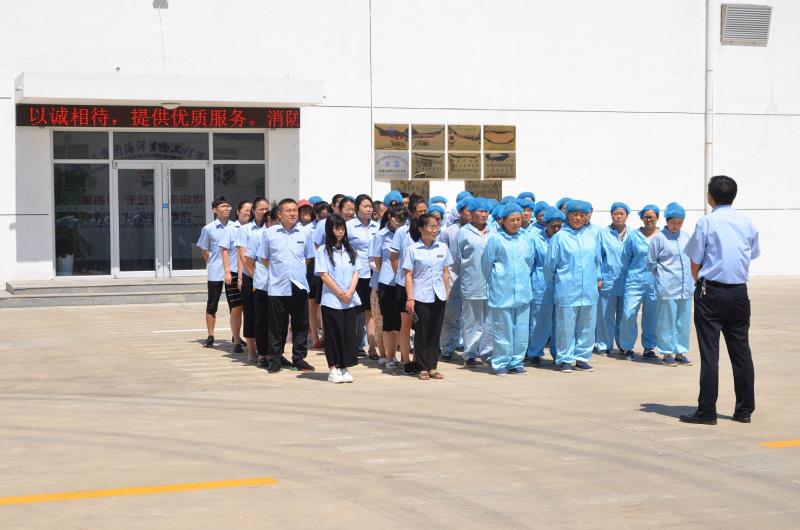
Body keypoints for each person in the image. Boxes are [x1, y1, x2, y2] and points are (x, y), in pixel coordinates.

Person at [680, 176, 760, 425]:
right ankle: (744, 410)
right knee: (741, 352)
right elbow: (752, 253)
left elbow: (695, 260)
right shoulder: (747, 222)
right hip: (739, 292)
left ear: (710, 197)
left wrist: (699, 282)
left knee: (710, 354)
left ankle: (707, 411)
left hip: (711, 292)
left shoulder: (707, 222)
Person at [257, 198, 316, 373]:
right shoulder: (269, 233)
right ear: (280, 214)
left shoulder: (305, 233)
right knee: (277, 326)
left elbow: (308, 257)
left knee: (301, 324)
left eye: (294, 210)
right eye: (288, 211)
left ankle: (299, 359)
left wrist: (296, 270)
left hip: (299, 284)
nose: (293, 213)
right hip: (277, 285)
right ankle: (275, 359)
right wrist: (279, 271)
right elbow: (264, 258)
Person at [545, 200, 602, 373]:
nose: (578, 218)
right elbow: (549, 265)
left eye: (582, 215)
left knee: (587, 326)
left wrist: (598, 278)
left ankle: (582, 357)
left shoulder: (591, 236)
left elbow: (597, 261)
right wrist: (556, 283)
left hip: (589, 289)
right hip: (567, 289)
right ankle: (565, 359)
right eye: (574, 214)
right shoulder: (559, 237)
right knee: (565, 326)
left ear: (586, 217)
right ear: (567, 216)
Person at [481, 203, 536, 376]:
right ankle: (501, 362)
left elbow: (530, 261)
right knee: (502, 329)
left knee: (521, 329)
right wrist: (497, 282)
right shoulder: (495, 239)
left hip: (523, 291)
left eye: (518, 219)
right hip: (502, 291)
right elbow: (486, 265)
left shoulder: (526, 238)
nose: (516, 223)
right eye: (512, 220)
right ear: (502, 221)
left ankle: (517, 361)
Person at [403, 213, 452, 380]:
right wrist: (410, 298)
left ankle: (432, 367)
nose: (434, 230)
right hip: (421, 296)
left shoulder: (442, 248)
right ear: (421, 228)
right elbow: (408, 275)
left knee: (435, 332)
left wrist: (447, 292)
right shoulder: (412, 249)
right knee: (422, 332)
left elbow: (445, 271)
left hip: (439, 295)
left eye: (436, 226)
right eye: (431, 226)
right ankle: (422, 367)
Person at [315, 214, 361, 383]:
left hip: (349, 300)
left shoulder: (350, 250)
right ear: (330, 229)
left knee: (348, 334)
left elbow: (356, 272)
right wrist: (340, 293)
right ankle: (333, 368)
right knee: (333, 335)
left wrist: (350, 292)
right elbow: (324, 275)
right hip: (332, 300)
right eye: (337, 228)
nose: (340, 232)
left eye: (342, 228)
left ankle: (344, 367)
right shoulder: (323, 251)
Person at [647, 202, 693, 367]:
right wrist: (662, 278)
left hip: (686, 287)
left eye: (680, 222)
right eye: (673, 222)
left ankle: (680, 352)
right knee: (666, 322)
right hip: (667, 287)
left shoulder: (686, 237)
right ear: (666, 221)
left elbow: (692, 258)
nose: (676, 225)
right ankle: (667, 353)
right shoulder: (659, 239)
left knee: (683, 322)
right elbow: (651, 263)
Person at [390, 195, 428, 374]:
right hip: (404, 284)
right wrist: (402, 276)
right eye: (419, 211)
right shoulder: (401, 232)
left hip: (424, 285)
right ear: (411, 212)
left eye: (425, 211)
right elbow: (394, 257)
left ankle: (419, 360)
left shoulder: (430, 230)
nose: (423, 214)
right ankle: (406, 361)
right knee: (405, 325)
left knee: (421, 325)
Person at [618, 205, 660, 360]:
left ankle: (649, 348)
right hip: (634, 281)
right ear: (642, 218)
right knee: (628, 313)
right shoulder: (633, 236)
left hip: (654, 282)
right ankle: (627, 347)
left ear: (657, 218)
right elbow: (625, 259)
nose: (649, 220)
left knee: (652, 316)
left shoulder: (661, 236)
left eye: (652, 217)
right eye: (646, 217)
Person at [456, 197, 493, 366]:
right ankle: (470, 353)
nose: (484, 215)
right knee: (471, 320)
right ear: (471, 213)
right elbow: (456, 259)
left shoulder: (494, 231)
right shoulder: (464, 232)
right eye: (480, 211)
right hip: (472, 281)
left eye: (486, 211)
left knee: (490, 321)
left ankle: (488, 353)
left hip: (493, 283)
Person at [196, 196, 237, 348]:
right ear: (215, 210)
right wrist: (213, 263)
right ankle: (210, 335)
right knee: (212, 304)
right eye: (223, 206)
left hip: (232, 270)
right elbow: (204, 250)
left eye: (228, 206)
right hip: (215, 272)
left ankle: (235, 336)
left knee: (235, 305)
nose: (226, 209)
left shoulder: (235, 227)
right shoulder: (208, 229)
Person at [526, 206, 564, 365]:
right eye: (553, 226)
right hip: (540, 282)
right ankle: (535, 352)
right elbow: (529, 263)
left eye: (559, 226)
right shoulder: (535, 239)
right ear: (546, 224)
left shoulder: (563, 238)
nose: (556, 229)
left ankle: (558, 352)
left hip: (561, 281)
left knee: (560, 321)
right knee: (540, 320)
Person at [372, 204, 408, 370]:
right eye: (398, 219)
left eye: (404, 219)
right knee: (388, 322)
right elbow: (377, 259)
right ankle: (389, 357)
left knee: (402, 322)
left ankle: (403, 356)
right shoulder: (380, 235)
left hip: (404, 282)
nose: (400, 222)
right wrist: (386, 273)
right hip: (387, 281)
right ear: (390, 218)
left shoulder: (408, 233)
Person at [236, 197, 269, 363]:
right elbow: (242, 254)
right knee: (250, 314)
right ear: (254, 211)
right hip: (251, 278)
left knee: (266, 315)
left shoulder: (272, 228)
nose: (264, 212)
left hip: (270, 280)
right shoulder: (245, 229)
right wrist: (254, 274)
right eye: (261, 209)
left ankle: (267, 349)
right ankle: (251, 349)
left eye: (266, 209)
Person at [595, 202, 630, 355]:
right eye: (616, 213)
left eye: (622, 213)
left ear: (627, 215)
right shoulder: (603, 234)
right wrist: (598, 277)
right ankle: (604, 345)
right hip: (608, 280)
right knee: (605, 315)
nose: (619, 216)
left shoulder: (633, 234)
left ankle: (624, 345)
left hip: (627, 281)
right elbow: (597, 258)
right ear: (611, 215)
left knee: (625, 315)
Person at [347, 195, 380, 359]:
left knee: (371, 311)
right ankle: (354, 346)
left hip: (373, 273)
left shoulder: (377, 226)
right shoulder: (349, 226)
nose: (369, 209)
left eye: (370, 206)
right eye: (365, 206)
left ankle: (372, 348)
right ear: (357, 208)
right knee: (354, 311)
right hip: (355, 273)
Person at [438, 198, 470, 360]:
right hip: (452, 277)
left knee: (471, 317)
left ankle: (471, 350)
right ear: (460, 212)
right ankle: (447, 347)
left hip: (472, 279)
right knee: (450, 315)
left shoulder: (480, 232)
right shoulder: (448, 232)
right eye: (468, 210)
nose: (472, 214)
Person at [219, 200, 251, 353]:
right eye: (245, 210)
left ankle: (251, 340)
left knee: (250, 308)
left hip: (250, 272)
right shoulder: (231, 229)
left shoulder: (255, 228)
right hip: (233, 272)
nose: (248, 212)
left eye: (251, 210)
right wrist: (226, 272)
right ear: (238, 212)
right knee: (237, 307)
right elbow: (224, 250)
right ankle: (236, 339)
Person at [308, 200, 332, 349]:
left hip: (329, 268)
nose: (324, 218)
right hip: (315, 267)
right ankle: (315, 336)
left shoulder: (332, 223)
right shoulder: (312, 228)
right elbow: (315, 246)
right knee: (313, 304)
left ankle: (325, 336)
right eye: (321, 215)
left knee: (326, 302)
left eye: (326, 215)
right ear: (315, 215)